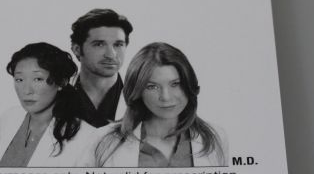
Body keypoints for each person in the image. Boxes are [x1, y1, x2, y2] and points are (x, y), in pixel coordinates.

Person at [80, 42, 229, 167]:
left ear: (189, 85)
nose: (165, 97)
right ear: (138, 90)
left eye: (175, 84)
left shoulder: (215, 137)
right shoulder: (102, 141)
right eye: (152, 86)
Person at [0, 42, 97, 167]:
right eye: (19, 79)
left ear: (62, 82)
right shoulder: (9, 118)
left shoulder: (88, 137)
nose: (27, 90)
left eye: (38, 79)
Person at [69, 8, 134, 127]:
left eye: (118, 44)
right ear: (77, 49)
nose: (111, 55)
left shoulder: (141, 99)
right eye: (99, 44)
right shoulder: (52, 97)